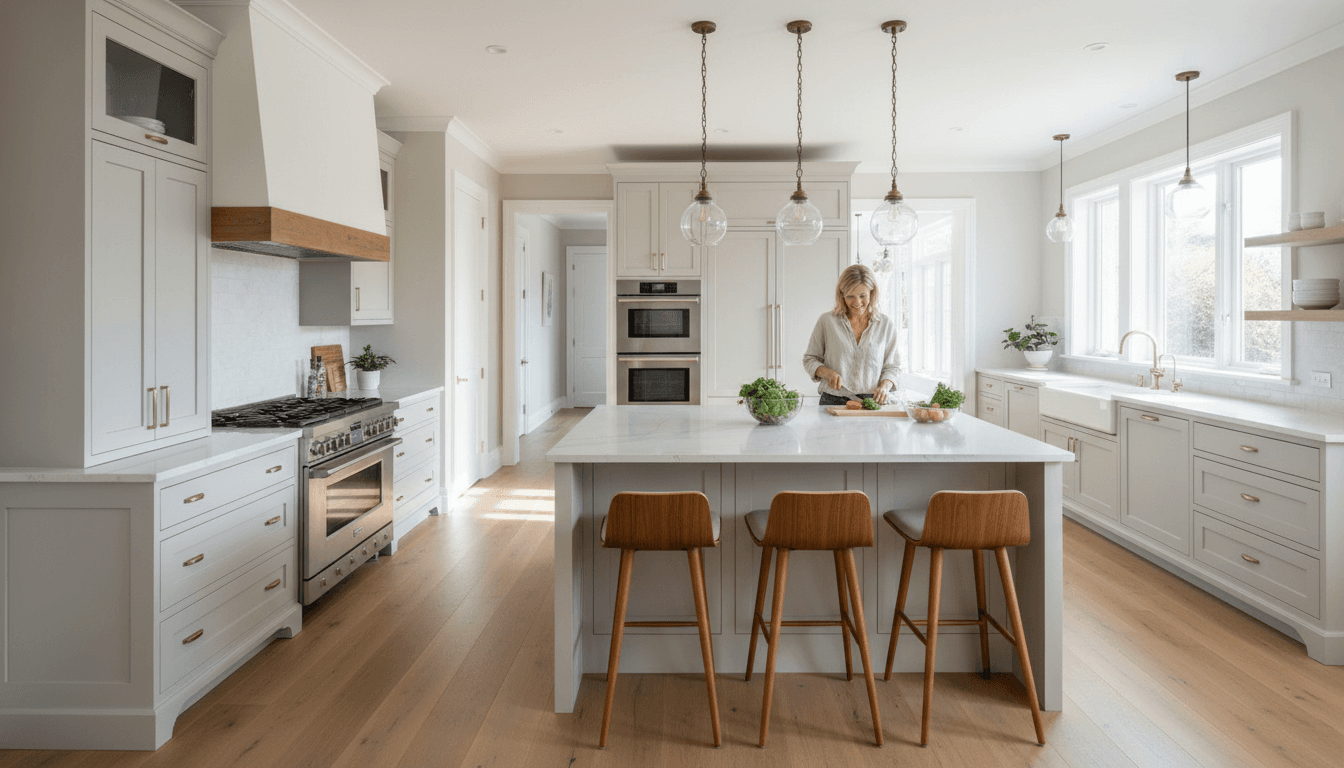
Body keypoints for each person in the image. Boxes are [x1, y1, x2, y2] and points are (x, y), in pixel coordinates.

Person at [802, 264, 901, 406]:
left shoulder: (885, 324)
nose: (857, 302)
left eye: (863, 296)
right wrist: (826, 372)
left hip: (873, 402)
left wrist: (885, 387)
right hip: (834, 400)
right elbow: (810, 359)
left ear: (872, 293)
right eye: (850, 296)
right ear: (842, 295)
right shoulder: (827, 321)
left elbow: (892, 366)